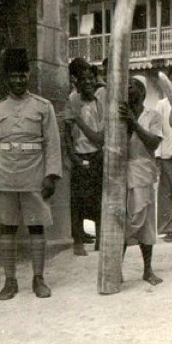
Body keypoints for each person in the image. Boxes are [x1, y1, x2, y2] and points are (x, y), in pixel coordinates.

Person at [0, 48, 62, 300]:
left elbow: (52, 143)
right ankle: (10, 281)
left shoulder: (43, 107)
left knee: (36, 227)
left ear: (28, 76)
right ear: (6, 79)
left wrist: (51, 175)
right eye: (13, 76)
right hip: (4, 175)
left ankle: (38, 278)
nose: (18, 80)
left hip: (34, 173)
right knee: (7, 229)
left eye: (22, 75)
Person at [120, 77, 164, 285]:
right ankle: (114, 269)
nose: (128, 89)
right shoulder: (118, 115)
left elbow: (153, 143)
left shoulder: (152, 115)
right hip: (120, 174)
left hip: (143, 171)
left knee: (145, 222)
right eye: (126, 86)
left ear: (143, 94)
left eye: (132, 86)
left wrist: (133, 123)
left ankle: (147, 270)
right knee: (124, 221)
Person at [65, 63, 105, 255]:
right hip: (78, 155)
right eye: (83, 79)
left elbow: (100, 138)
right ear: (77, 82)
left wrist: (79, 121)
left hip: (97, 155)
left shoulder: (100, 102)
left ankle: (100, 240)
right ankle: (78, 242)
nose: (88, 82)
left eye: (91, 78)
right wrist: (73, 158)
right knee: (77, 201)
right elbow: (66, 133)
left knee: (99, 198)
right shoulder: (72, 99)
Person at [152, 73, 172, 242]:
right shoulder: (162, 105)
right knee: (166, 191)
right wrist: (158, 155)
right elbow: (158, 129)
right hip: (167, 152)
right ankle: (168, 228)